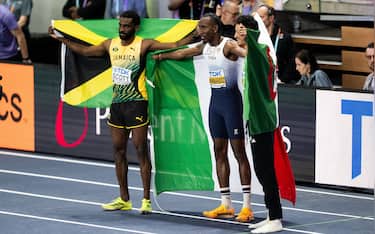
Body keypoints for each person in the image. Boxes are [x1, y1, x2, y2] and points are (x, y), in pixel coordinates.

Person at [49, 10, 195, 214]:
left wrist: (195, 33)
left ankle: (146, 200)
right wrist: (62, 39)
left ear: (135, 27)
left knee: (141, 150)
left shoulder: (144, 44)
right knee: (118, 151)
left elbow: (174, 45)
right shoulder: (110, 44)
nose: (123, 29)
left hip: (137, 102)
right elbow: (85, 52)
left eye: (127, 26)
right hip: (117, 104)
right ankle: (124, 198)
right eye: (121, 25)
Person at [153, 13, 253, 222]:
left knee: (239, 154)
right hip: (215, 106)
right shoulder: (204, 47)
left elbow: (246, 53)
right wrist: (161, 57)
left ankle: (246, 206)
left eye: (203, 28)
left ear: (215, 28)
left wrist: (248, 41)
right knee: (219, 152)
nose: (199, 31)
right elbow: (182, 54)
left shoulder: (229, 45)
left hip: (232, 106)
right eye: (199, 28)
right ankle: (226, 204)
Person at [239, 14, 284, 233]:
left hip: (261, 118)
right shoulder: (254, 54)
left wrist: (252, 28)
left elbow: (255, 41)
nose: (237, 33)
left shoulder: (260, 52)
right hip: (255, 117)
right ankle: (271, 214)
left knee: (265, 170)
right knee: (262, 169)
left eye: (240, 29)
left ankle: (275, 218)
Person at [256, 4, 299, 84]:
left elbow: (291, 62)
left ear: (271, 18)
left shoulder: (284, 38)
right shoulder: (255, 36)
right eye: (257, 17)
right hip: (260, 81)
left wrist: (283, 80)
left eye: (261, 17)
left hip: (278, 82)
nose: (258, 20)